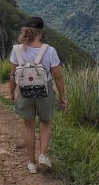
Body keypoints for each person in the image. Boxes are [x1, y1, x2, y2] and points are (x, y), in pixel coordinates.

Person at [9, 16, 68, 174]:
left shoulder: (17, 50)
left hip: (24, 92)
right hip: (45, 91)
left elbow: (13, 75)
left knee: (28, 126)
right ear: (41, 33)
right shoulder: (49, 51)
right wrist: (63, 97)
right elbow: (58, 76)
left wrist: (11, 93)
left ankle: (31, 163)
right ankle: (42, 155)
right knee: (45, 123)